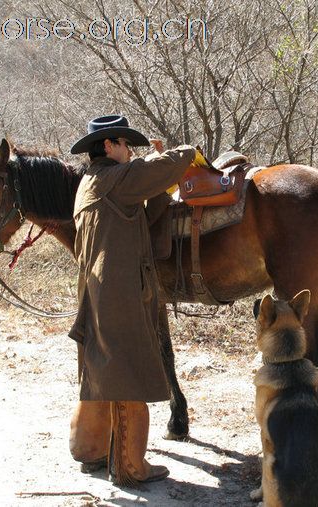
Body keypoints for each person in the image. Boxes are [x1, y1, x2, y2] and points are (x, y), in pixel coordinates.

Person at [67, 115, 195, 487]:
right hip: (118, 293)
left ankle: (90, 449)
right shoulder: (114, 178)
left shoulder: (90, 183)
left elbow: (144, 212)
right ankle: (130, 466)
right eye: (126, 144)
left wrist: (155, 186)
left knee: (100, 371)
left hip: (96, 291)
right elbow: (172, 163)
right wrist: (183, 151)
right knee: (128, 374)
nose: (130, 151)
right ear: (108, 146)